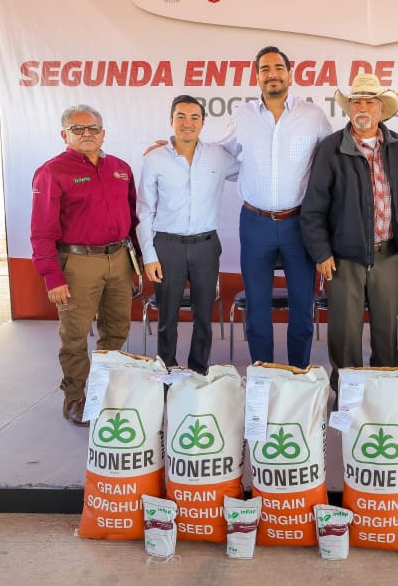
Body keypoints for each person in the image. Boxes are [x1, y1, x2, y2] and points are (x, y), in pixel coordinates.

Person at [219, 46, 333, 368]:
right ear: (257, 77)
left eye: (278, 68)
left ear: (289, 74)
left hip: (300, 223)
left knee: (302, 305)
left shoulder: (313, 115)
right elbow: (220, 153)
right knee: (257, 306)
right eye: (265, 69)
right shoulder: (243, 115)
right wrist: (180, 145)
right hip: (255, 222)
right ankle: (263, 374)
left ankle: (297, 373)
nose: (272, 74)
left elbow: (331, 159)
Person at [300, 73, 398, 391]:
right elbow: (313, 208)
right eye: (356, 102)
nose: (363, 107)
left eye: (369, 102)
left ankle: (385, 395)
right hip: (344, 258)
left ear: (381, 109)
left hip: (388, 254)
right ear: (349, 108)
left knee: (386, 332)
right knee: (345, 334)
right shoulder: (331, 149)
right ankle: (346, 397)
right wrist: (321, 252)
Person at [30, 105, 138, 426]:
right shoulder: (52, 172)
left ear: (103, 134)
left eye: (93, 128)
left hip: (119, 259)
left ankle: (104, 393)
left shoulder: (120, 168)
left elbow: (133, 219)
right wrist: (52, 276)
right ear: (64, 134)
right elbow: (41, 231)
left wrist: (137, 262)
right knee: (75, 335)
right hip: (77, 263)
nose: (86, 134)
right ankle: (75, 397)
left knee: (116, 329)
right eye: (78, 129)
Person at [137, 95, 239, 374]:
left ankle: (198, 370)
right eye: (180, 116)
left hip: (206, 246)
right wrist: (149, 255)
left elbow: (249, 170)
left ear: (203, 123)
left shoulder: (218, 157)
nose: (187, 123)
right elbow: (145, 210)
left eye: (194, 117)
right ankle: (166, 370)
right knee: (167, 316)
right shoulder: (155, 159)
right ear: (171, 120)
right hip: (167, 246)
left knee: (203, 315)